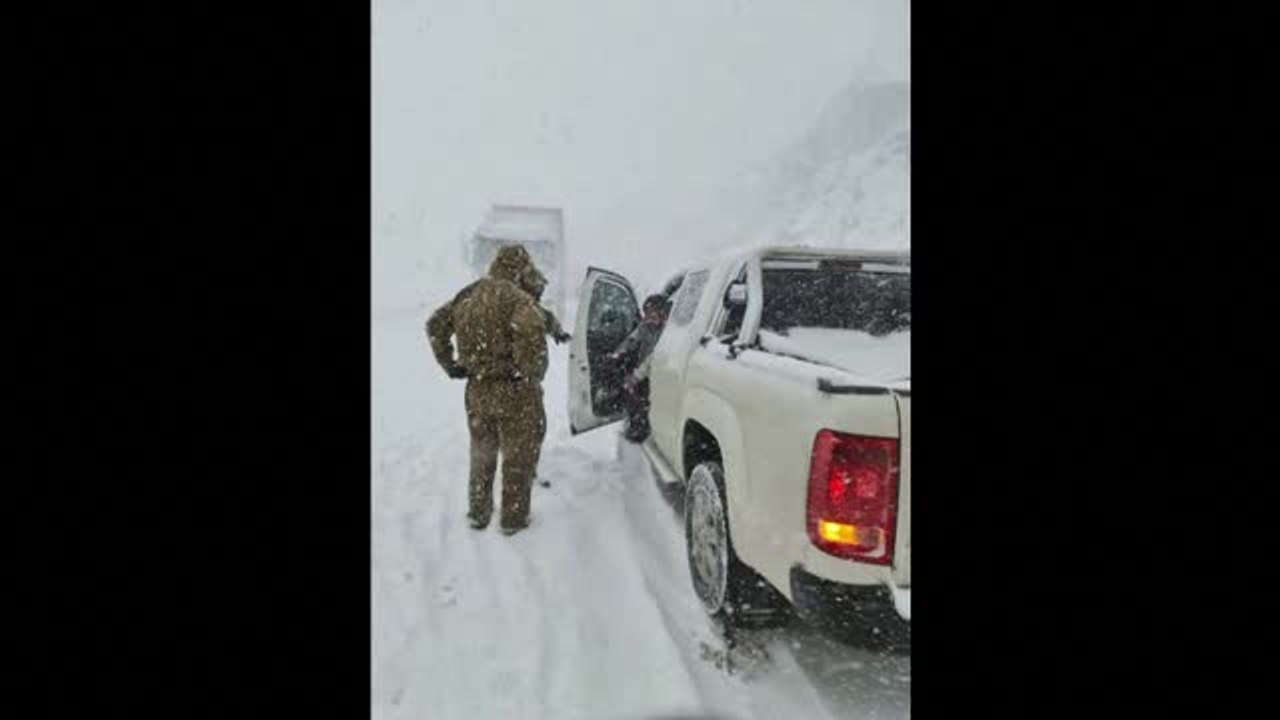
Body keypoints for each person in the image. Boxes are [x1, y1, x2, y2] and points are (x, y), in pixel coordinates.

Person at [425, 245, 548, 535]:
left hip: (477, 389)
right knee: (518, 456)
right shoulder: (518, 299)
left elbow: (435, 325)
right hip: (515, 390)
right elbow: (530, 331)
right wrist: (530, 372)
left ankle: (479, 513)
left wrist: (450, 364)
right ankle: (513, 520)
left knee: (482, 452)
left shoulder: (469, 294)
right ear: (521, 268)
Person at [607, 294, 670, 443]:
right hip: (645, 370)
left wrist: (636, 376)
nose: (648, 318)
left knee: (642, 395)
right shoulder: (645, 326)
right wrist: (617, 354)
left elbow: (655, 357)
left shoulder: (669, 330)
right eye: (646, 314)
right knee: (629, 392)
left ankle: (643, 430)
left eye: (652, 313)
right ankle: (636, 425)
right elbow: (632, 340)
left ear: (663, 313)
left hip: (662, 371)